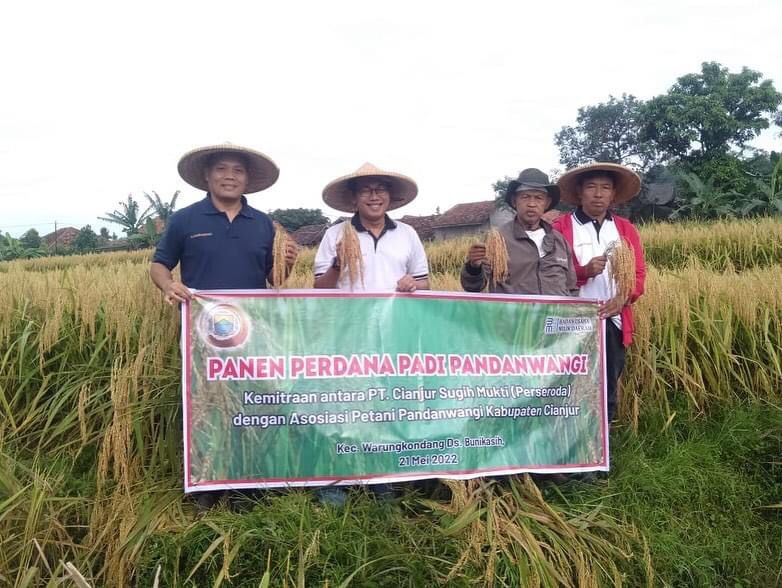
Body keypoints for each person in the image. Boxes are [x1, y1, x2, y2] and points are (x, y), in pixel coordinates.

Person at [551, 162, 647, 422]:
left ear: (613, 194)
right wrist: (583, 272)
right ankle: (569, 450)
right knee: (570, 384)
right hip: (572, 322)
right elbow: (552, 276)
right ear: (580, 193)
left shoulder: (625, 229)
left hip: (612, 320)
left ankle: (602, 451)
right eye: (591, 187)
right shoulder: (561, 228)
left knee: (607, 386)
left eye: (605, 188)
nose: (598, 193)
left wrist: (622, 299)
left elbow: (638, 275)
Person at [150, 142, 298, 301]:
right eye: (221, 169)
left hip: (251, 320)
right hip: (200, 319)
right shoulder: (183, 219)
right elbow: (159, 265)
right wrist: (167, 285)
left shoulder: (264, 223)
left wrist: (287, 263)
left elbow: (274, 280)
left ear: (247, 178)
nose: (230, 176)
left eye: (238, 170)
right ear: (207, 174)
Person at [314, 162, 429, 292]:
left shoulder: (408, 233)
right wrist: (338, 264)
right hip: (350, 312)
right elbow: (319, 289)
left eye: (381, 189)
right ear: (353, 197)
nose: (374, 197)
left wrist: (412, 284)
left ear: (389, 195)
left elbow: (424, 283)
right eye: (365, 190)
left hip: (395, 311)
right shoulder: (334, 234)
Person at [461, 168, 577, 296]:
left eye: (538, 198)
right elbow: (474, 287)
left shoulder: (559, 241)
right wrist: (473, 267)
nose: (531, 204)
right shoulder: (498, 240)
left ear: (547, 203)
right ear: (514, 201)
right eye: (525, 197)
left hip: (554, 315)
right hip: (513, 315)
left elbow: (571, 288)